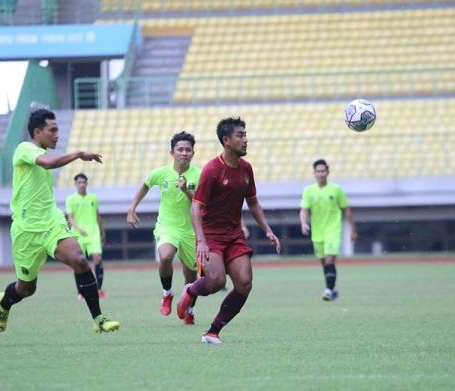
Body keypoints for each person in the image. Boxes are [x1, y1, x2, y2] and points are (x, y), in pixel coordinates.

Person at [0, 108, 119, 334]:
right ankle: (4, 304)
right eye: (52, 129)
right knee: (26, 289)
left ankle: (98, 319)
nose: (56, 134)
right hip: (25, 231)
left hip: (51, 223)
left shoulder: (41, 153)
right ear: (37, 131)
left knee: (79, 259)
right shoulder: (24, 149)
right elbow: (48, 163)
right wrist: (79, 154)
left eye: (58, 129)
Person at [177, 117, 281, 344]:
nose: (245, 140)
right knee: (215, 281)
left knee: (244, 283)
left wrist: (267, 230)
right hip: (211, 235)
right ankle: (191, 290)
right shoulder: (212, 170)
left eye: (245, 134)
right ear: (226, 140)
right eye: (240, 135)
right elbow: (196, 207)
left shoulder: (246, 169)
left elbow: (253, 202)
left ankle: (212, 331)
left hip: (234, 235)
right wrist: (201, 241)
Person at [127, 131, 201, 325]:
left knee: (191, 277)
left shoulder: (199, 175)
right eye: (180, 149)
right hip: (167, 226)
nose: (184, 153)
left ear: (193, 153)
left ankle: (190, 310)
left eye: (188, 150)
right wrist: (132, 208)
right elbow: (144, 185)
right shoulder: (161, 173)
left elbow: (201, 203)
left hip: (191, 231)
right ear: (172, 152)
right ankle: (167, 293)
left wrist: (186, 190)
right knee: (166, 256)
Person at [299, 159, 357, 301]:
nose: (320, 174)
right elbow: (304, 209)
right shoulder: (309, 190)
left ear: (328, 172)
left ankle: (328, 290)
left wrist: (352, 229)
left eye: (323, 171)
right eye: (318, 171)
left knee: (330, 260)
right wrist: (303, 223)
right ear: (314, 173)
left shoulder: (336, 189)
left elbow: (347, 210)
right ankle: (333, 288)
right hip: (317, 232)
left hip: (333, 230)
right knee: (324, 262)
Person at [66, 173, 106, 299]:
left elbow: (97, 215)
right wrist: (79, 229)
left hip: (93, 233)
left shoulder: (94, 198)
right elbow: (70, 218)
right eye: (79, 183)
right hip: (78, 235)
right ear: (75, 184)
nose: (82, 185)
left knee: (98, 259)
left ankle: (99, 289)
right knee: (79, 263)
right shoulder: (71, 199)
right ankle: (81, 292)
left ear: (87, 184)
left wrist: (102, 231)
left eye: (84, 182)